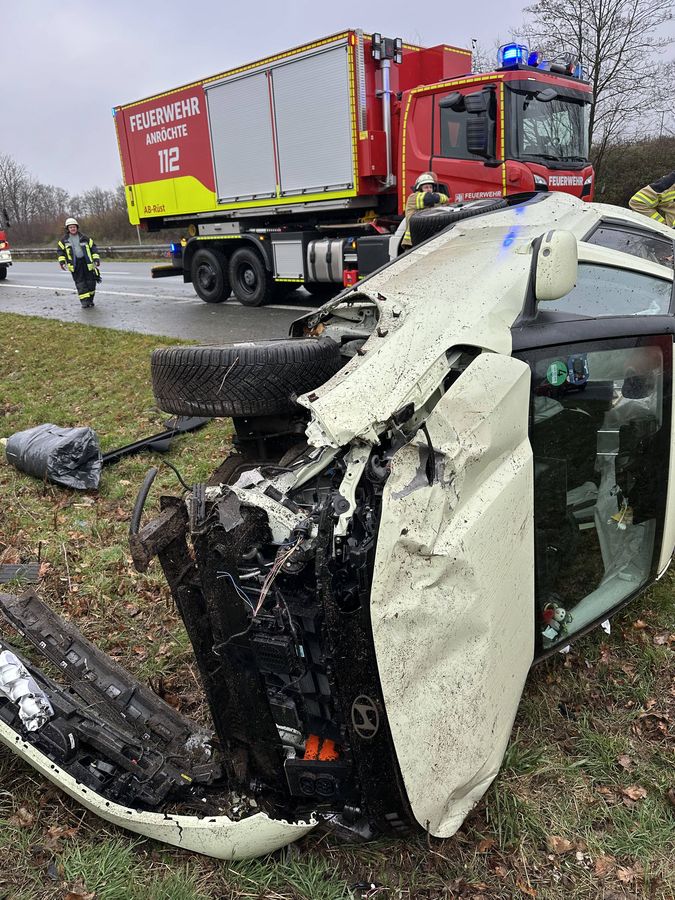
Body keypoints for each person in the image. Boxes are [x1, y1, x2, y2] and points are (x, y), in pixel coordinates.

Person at [57, 217, 101, 308]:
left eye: (74, 227)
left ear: (77, 227)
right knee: (81, 284)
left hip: (87, 263)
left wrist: (96, 259)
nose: (72, 229)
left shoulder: (85, 238)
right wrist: (62, 262)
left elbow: (93, 248)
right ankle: (85, 302)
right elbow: (60, 251)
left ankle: (90, 300)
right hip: (75, 265)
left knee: (91, 283)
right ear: (67, 229)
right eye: (70, 227)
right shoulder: (64, 240)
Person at [401, 172, 450, 248]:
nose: (429, 189)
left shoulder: (434, 198)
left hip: (426, 239)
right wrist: (438, 197)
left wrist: (439, 197)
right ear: (420, 188)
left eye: (430, 187)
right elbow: (428, 199)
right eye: (426, 187)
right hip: (412, 242)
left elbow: (446, 199)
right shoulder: (413, 197)